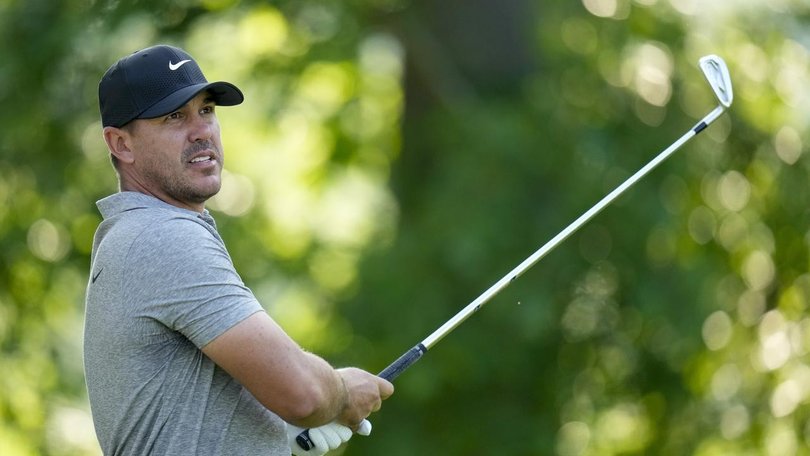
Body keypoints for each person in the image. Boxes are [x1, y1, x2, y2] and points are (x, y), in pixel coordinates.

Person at [83, 44, 394, 456]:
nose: (201, 131)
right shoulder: (163, 237)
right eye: (174, 116)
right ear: (121, 144)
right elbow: (302, 394)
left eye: (207, 110)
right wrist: (338, 393)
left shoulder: (137, 234)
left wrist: (270, 431)